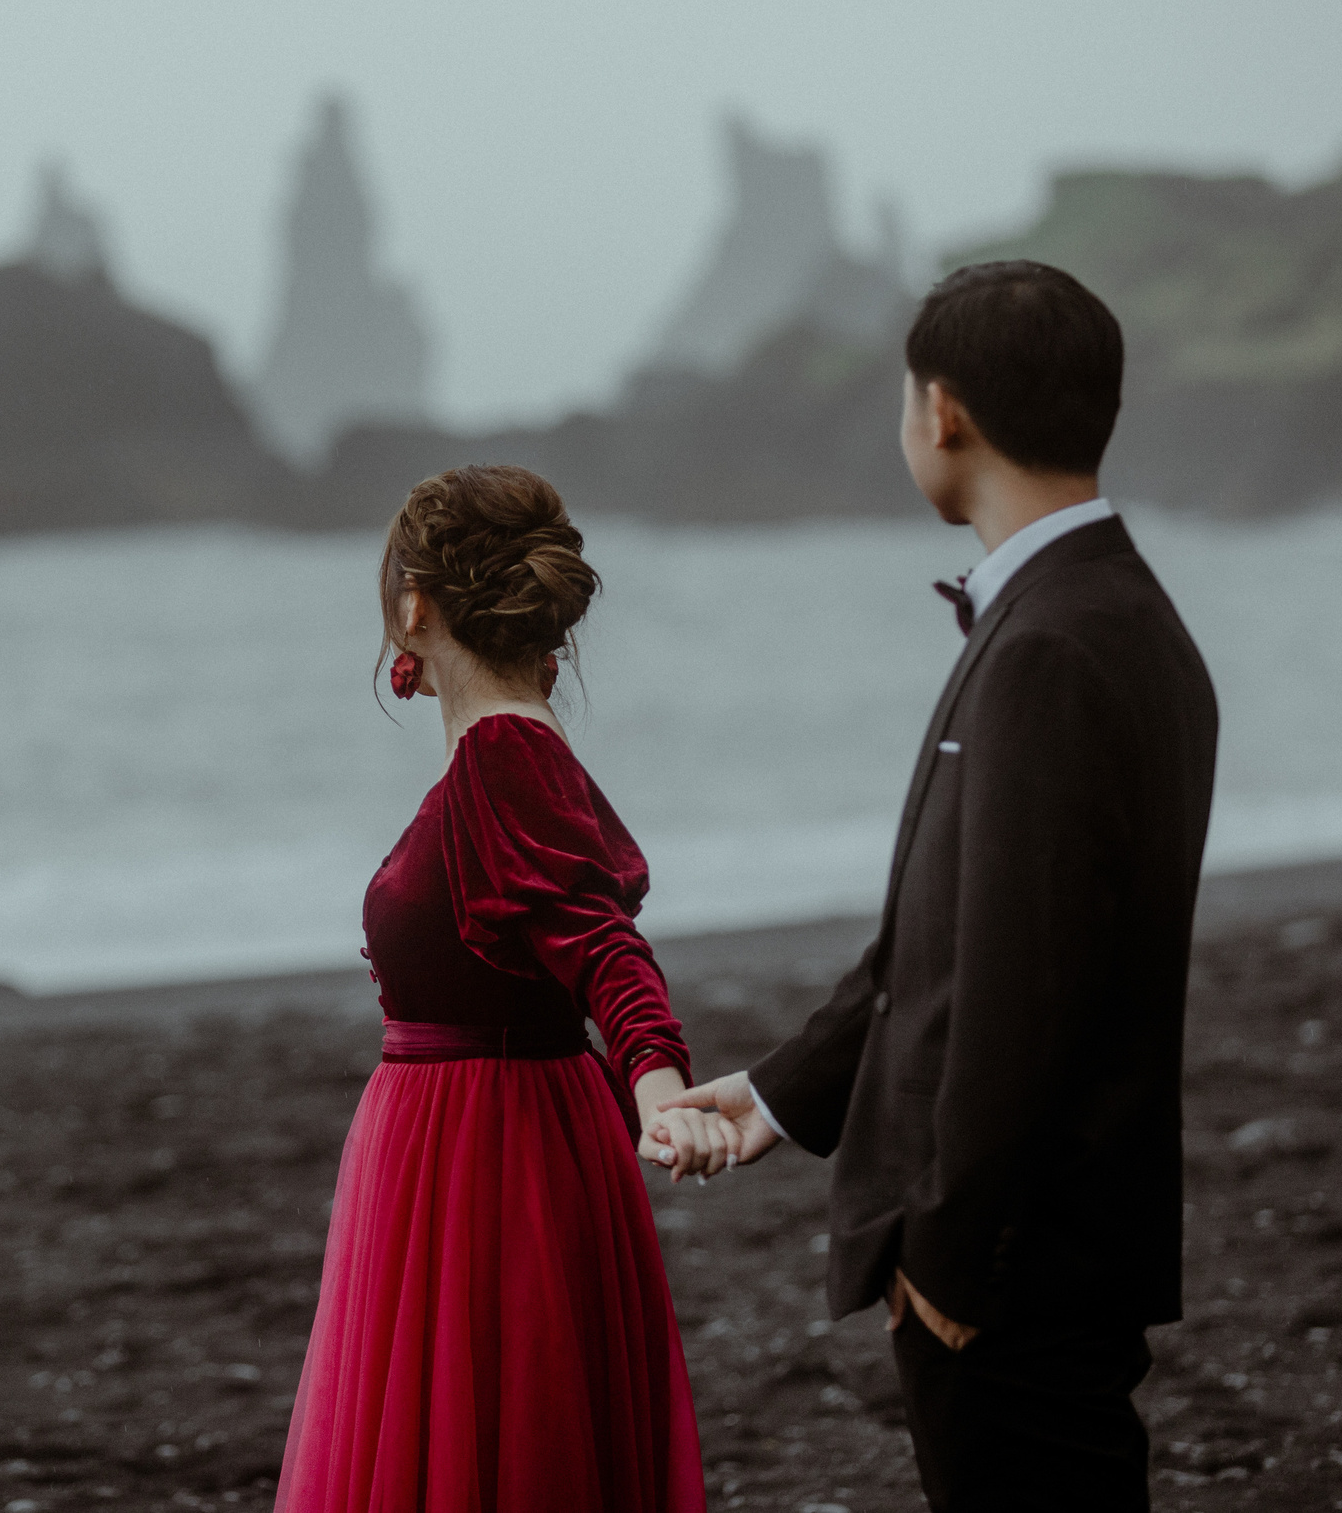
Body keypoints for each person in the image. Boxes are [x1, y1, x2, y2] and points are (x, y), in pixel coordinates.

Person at [669, 261, 1221, 1510]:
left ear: (945, 412)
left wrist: (954, 1262)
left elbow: (1022, 981)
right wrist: (780, 1093)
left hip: (1013, 1263)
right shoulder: (1105, 612)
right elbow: (949, 932)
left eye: (905, 399)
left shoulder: (1052, 646)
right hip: (1048, 1243)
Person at [274, 463, 734, 1513]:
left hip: (487, 1156)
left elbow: (604, 945)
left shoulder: (503, 755)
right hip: (484, 1141)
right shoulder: (509, 751)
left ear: (414, 607)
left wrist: (661, 1089)